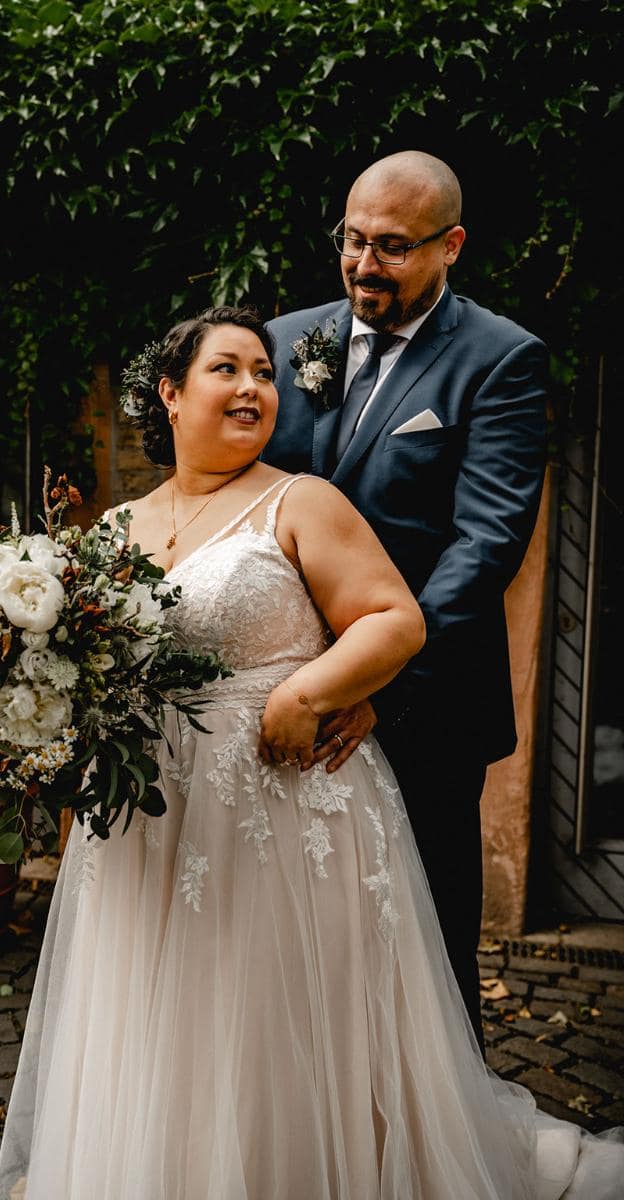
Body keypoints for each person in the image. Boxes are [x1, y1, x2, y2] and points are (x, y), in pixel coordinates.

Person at [0, 305, 622, 1199]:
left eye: (264, 373)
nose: (254, 388)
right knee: (168, 1016)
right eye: (228, 371)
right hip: (151, 820)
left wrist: (307, 691)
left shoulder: (300, 500)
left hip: (283, 809)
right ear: (171, 395)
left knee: (272, 1013)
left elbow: (396, 619)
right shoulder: (109, 533)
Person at [264, 150, 548, 1046]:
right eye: (351, 240)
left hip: (419, 707)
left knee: (426, 933)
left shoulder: (500, 359)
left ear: (449, 245)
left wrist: (377, 679)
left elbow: (486, 542)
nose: (361, 265)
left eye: (391, 246)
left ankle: (440, 1134)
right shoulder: (291, 341)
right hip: (279, 687)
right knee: (292, 932)